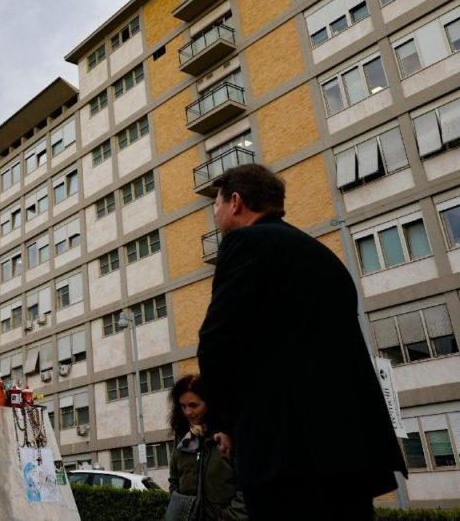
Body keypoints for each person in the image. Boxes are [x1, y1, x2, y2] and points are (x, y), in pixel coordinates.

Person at [197, 164, 405, 520]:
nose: (214, 213)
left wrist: (222, 422)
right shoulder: (324, 257)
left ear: (235, 202)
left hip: (285, 451)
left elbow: (218, 340)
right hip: (350, 452)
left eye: (215, 204)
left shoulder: (245, 243)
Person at [166, 374, 247, 521]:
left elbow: (247, 486)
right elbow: (174, 478)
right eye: (183, 406)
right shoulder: (183, 435)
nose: (187, 412)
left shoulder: (230, 435)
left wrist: (228, 517)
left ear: (210, 403)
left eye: (193, 405)